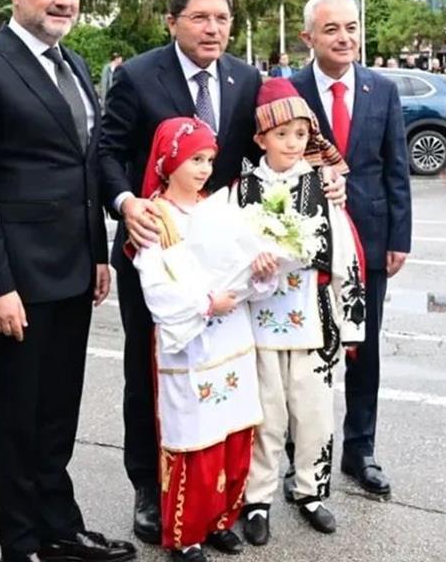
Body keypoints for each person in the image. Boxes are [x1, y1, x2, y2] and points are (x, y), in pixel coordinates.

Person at [0, 0, 134, 562]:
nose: (63, 0)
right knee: (17, 418)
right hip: (21, 283)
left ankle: (60, 526)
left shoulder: (76, 65)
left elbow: (84, 167)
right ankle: (21, 541)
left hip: (75, 272)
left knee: (58, 412)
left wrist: (99, 251)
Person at [97, 0, 263, 545]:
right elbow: (107, 151)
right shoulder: (138, 76)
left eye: (221, 18)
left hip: (220, 261)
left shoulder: (246, 78)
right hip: (157, 253)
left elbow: (259, 159)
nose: (212, 28)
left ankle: (212, 496)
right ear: (172, 22)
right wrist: (126, 203)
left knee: (217, 372)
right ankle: (150, 486)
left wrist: (322, 182)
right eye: (199, 17)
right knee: (151, 374)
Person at [130, 117, 270, 562]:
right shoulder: (157, 217)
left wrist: (261, 271)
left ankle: (221, 519)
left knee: (232, 430)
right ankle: (186, 532)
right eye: (195, 159)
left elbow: (244, 267)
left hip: (232, 339)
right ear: (169, 161)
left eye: (210, 159)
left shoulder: (220, 207)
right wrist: (207, 303)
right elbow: (157, 285)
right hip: (192, 342)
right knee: (195, 437)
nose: (205, 168)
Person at [291, 0, 412, 497]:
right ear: (309, 37)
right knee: (303, 350)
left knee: (362, 348)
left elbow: (396, 168)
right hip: (303, 241)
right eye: (332, 29)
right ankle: (302, 454)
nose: (345, 38)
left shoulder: (382, 90)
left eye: (352, 27)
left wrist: (399, 238)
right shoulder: (285, 90)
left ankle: (360, 448)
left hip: (370, 239)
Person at [237, 78, 366, 545]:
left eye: (300, 135)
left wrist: (350, 323)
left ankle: (311, 490)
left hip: (312, 313)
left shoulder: (321, 184)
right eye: (281, 134)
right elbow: (233, 246)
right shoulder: (246, 186)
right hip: (259, 317)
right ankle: (257, 497)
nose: (292, 143)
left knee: (313, 411)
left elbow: (344, 252)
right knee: (266, 414)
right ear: (260, 139)